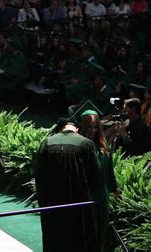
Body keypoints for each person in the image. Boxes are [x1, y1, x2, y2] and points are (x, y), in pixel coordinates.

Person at [35, 108, 104, 252]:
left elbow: (39, 175)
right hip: (77, 203)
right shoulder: (85, 143)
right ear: (77, 129)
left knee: (54, 237)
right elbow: (96, 175)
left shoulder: (47, 142)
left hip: (52, 202)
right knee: (77, 239)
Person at [80, 108, 118, 251]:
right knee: (87, 226)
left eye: (96, 127)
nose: (93, 130)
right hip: (86, 192)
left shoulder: (102, 146)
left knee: (102, 225)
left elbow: (109, 170)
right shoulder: (79, 146)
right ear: (83, 126)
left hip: (102, 193)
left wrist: (114, 189)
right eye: (89, 127)